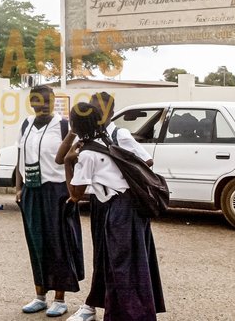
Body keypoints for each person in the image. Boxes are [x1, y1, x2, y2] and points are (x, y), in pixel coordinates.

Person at [65, 103, 165, 321]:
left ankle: (128, 316)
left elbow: (74, 194)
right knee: (132, 265)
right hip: (131, 207)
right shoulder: (106, 142)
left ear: (76, 125)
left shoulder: (88, 154)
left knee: (120, 268)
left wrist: (68, 161)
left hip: (119, 210)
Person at [16, 85, 82, 317]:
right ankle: (40, 296)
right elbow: (20, 156)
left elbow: (75, 157)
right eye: (37, 101)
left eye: (47, 101)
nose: (42, 105)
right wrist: (19, 188)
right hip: (31, 191)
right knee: (36, 243)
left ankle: (60, 299)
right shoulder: (26, 125)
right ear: (31, 103)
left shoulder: (64, 126)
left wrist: (72, 190)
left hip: (57, 192)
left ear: (54, 102)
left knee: (58, 244)